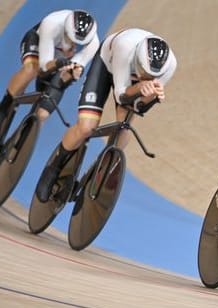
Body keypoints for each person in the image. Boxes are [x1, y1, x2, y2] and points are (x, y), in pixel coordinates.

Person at [35, 28, 177, 202]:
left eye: (152, 76)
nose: (146, 77)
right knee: (86, 128)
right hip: (107, 64)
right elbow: (121, 95)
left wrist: (151, 99)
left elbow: (139, 108)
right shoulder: (126, 48)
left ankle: (98, 171)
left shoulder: (170, 65)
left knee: (123, 129)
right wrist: (140, 87)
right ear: (138, 60)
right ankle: (53, 169)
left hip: (131, 80)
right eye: (144, 72)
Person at [0, 9, 99, 129]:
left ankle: (24, 139)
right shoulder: (52, 23)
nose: (74, 47)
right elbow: (43, 68)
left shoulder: (93, 44)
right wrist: (58, 63)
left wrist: (70, 75)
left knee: (43, 114)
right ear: (65, 31)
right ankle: (5, 106)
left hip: (60, 58)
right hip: (39, 41)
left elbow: (69, 75)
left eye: (79, 45)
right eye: (71, 40)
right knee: (31, 70)